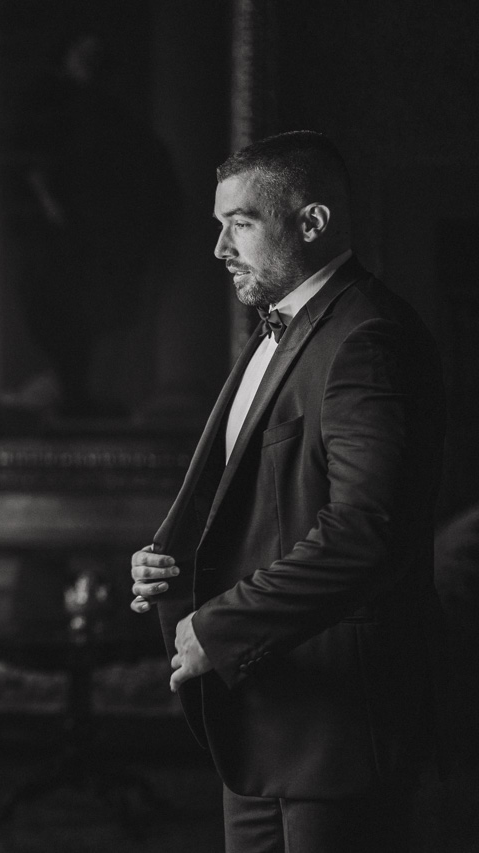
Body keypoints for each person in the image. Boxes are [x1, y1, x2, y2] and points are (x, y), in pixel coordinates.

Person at [129, 130, 445, 853]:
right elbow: (264, 503)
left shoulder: (368, 337)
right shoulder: (280, 330)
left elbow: (367, 531)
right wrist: (171, 559)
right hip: (263, 715)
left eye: (240, 223)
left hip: (340, 729)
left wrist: (220, 628)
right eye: (220, 225)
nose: (220, 248)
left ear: (312, 222)